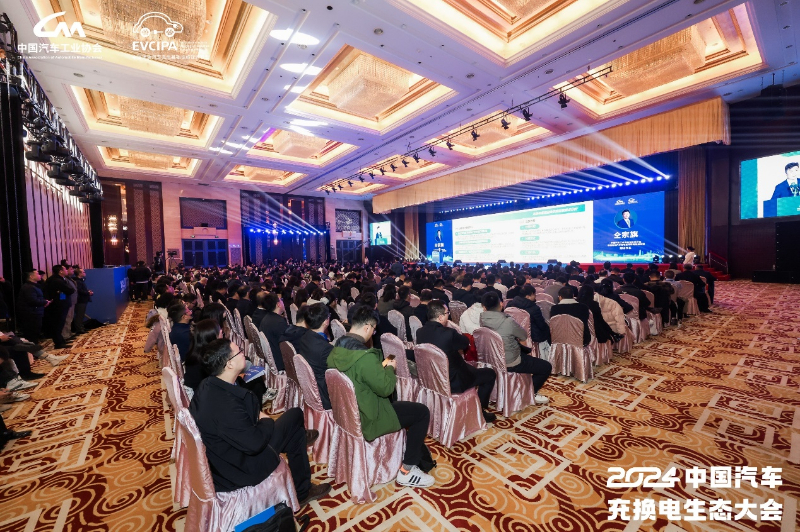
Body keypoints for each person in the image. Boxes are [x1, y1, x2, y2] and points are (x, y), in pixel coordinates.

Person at [189, 339, 331, 505]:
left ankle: (302, 481)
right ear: (229, 364)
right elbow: (255, 443)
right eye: (239, 352)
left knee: (295, 433)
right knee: (295, 415)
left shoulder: (207, 385)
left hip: (226, 459)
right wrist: (266, 420)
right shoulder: (225, 405)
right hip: (244, 468)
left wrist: (257, 415)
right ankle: (302, 490)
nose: (243, 353)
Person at [328, 306, 437, 488]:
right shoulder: (364, 357)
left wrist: (379, 368)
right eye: (374, 329)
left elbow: (360, 376)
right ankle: (407, 471)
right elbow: (386, 389)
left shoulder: (335, 350)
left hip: (349, 413)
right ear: (367, 327)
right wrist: (390, 368)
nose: (373, 333)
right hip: (371, 415)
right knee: (422, 412)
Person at [416, 300, 498, 423]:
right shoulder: (449, 334)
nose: (448, 315)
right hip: (454, 381)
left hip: (433, 377)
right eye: (447, 313)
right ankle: (481, 411)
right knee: (490, 374)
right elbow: (465, 343)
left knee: (470, 367)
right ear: (440, 317)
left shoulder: (420, 332)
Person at [478, 292, 550, 404]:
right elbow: (523, 336)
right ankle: (531, 393)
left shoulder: (482, 319)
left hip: (492, 359)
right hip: (510, 361)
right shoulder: (508, 321)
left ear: (484, 307)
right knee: (546, 367)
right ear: (501, 304)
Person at [280, 303, 334, 409]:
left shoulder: (304, 337)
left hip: (308, 388)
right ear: (326, 321)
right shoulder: (325, 348)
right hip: (323, 394)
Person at [183, 319, 221, 393]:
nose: (222, 334)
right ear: (213, 337)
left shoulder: (196, 351)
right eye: (220, 333)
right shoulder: (207, 359)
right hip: (202, 394)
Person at [43, 265, 76, 349]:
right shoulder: (57, 280)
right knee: (58, 324)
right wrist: (65, 290)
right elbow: (70, 290)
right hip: (58, 305)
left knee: (60, 324)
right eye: (65, 269)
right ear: (60, 271)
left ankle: (61, 340)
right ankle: (58, 343)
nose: (66, 271)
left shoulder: (57, 279)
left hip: (60, 304)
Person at [17, 270, 49, 344]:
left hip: (35, 312)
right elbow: (32, 300)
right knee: (32, 333)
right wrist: (45, 302)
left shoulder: (34, 286)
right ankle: (32, 348)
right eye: (37, 274)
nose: (39, 275)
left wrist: (44, 301)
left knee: (35, 332)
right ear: (31, 276)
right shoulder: (29, 287)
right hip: (31, 313)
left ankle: (34, 347)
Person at [72, 267, 93, 334]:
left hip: (83, 300)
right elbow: (79, 291)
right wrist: (87, 293)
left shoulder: (80, 280)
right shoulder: (78, 281)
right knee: (79, 315)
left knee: (81, 315)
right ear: (79, 273)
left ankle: (81, 327)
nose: (85, 273)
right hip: (80, 300)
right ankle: (79, 329)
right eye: (83, 272)